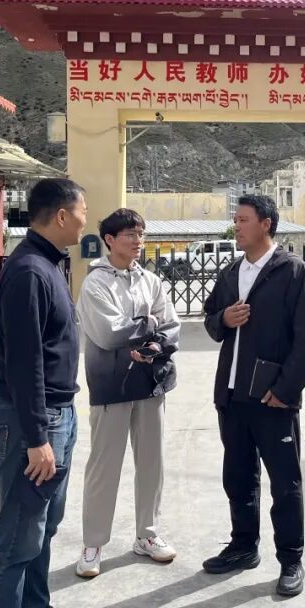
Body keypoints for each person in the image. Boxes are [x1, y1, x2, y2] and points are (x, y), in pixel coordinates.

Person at [201, 194, 305, 597]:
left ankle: (291, 559)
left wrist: (285, 390)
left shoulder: (292, 271)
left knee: (284, 483)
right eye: (235, 220)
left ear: (266, 224)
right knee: (238, 477)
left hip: (272, 398)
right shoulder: (231, 272)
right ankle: (243, 547)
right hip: (232, 396)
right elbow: (210, 320)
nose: (236, 226)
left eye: (243, 220)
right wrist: (224, 318)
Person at [0, 178, 87, 608]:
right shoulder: (29, 271)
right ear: (62, 215)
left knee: (41, 531)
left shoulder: (48, 264)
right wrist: (37, 437)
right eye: (82, 213)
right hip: (33, 421)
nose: (85, 222)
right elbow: (25, 364)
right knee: (18, 539)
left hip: (57, 415)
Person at [75, 209, 181, 578]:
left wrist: (155, 345)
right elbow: (108, 333)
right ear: (109, 240)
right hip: (111, 385)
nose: (138, 241)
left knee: (152, 461)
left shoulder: (151, 281)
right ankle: (93, 543)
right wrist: (149, 324)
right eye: (129, 234)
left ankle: (147, 535)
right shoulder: (95, 284)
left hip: (151, 383)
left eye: (141, 234)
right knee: (104, 466)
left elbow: (172, 326)